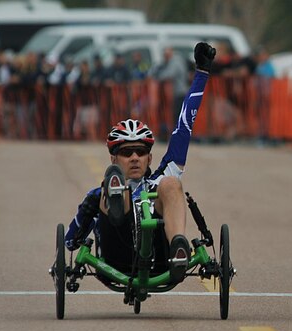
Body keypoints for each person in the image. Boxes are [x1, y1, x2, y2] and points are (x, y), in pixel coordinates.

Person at [64, 42, 216, 284]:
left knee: (171, 184)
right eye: (126, 153)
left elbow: (184, 126)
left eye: (140, 152)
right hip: (115, 262)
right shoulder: (97, 196)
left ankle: (179, 246)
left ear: (149, 158)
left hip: (162, 263)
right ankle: (116, 195)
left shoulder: (160, 175)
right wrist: (86, 221)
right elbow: (70, 242)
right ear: (114, 158)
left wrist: (202, 74)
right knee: (112, 191)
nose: (134, 157)